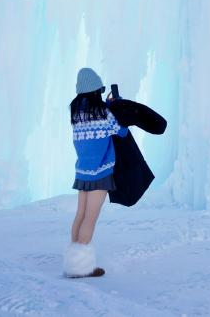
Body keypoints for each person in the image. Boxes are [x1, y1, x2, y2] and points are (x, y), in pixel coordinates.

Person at [63, 68, 128, 278]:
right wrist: (114, 106)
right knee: (90, 219)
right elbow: (122, 132)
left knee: (80, 216)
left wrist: (106, 107)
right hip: (100, 172)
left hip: (82, 170)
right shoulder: (103, 112)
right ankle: (81, 268)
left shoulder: (76, 112)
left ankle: (73, 264)